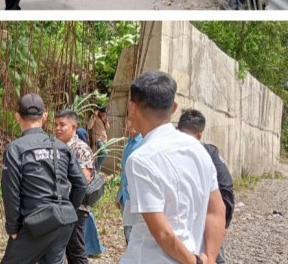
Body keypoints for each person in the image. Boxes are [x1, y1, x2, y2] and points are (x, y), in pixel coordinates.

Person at [121, 71, 226, 264]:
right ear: (174, 107)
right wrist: (209, 257)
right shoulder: (199, 150)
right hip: (194, 255)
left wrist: (195, 262)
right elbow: (217, 209)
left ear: (132, 108)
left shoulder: (141, 159)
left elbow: (162, 233)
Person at [0, 94, 87, 264]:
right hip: (64, 222)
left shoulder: (15, 149)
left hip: (36, 224)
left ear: (18, 117)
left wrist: (12, 227)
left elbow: (10, 192)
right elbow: (82, 184)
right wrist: (67, 209)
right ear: (45, 117)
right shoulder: (62, 148)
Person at [178, 109, 235, 264]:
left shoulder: (164, 151)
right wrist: (223, 222)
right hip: (199, 225)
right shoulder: (208, 153)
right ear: (200, 134)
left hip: (182, 228)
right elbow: (226, 188)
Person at [54, 109, 96, 264]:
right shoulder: (60, 147)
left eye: (62, 125)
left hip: (75, 206)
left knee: (76, 251)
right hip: (63, 206)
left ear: (73, 127)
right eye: (56, 125)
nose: (58, 128)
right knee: (66, 250)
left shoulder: (79, 148)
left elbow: (83, 179)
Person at [75, 128, 105, 257]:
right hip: (84, 197)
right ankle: (93, 248)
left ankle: (92, 248)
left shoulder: (81, 151)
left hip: (81, 196)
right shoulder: (84, 149)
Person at [115, 115, 143, 244]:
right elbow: (125, 172)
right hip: (125, 197)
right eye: (129, 120)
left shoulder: (143, 143)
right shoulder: (129, 143)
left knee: (132, 233)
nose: (131, 124)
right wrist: (119, 193)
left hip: (135, 198)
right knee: (128, 231)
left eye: (134, 120)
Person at [87, 106, 110, 172]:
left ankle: (96, 169)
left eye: (104, 113)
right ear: (99, 112)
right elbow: (89, 126)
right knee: (105, 152)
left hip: (104, 139)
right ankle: (97, 168)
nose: (104, 114)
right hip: (98, 138)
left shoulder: (104, 117)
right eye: (103, 113)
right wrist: (94, 117)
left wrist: (106, 122)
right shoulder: (94, 117)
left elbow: (108, 128)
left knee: (101, 154)